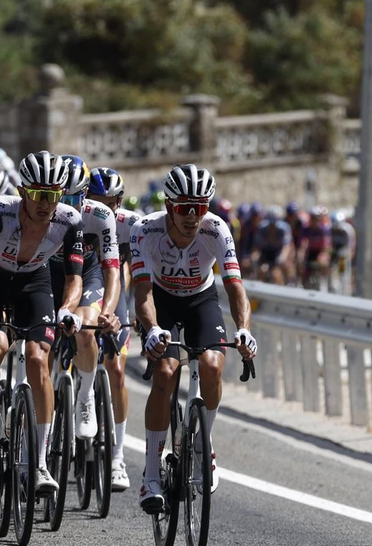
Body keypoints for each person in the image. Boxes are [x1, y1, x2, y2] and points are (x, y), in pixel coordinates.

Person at [131, 163, 256, 512]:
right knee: (166, 372)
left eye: (200, 207)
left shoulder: (216, 229)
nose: (192, 216)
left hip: (201, 299)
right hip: (161, 301)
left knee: (213, 366)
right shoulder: (145, 230)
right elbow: (142, 291)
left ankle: (203, 444)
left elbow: (235, 287)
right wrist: (152, 329)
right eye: (185, 207)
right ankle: (151, 476)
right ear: (169, 205)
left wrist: (243, 330)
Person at [0, 151, 85, 495]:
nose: (46, 204)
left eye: (53, 195)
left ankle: (40, 461)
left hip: (34, 281)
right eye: (38, 194)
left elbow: (74, 278)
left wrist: (67, 309)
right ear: (22, 192)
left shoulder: (70, 220)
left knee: (37, 357)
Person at [55, 157, 122, 452]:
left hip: (88, 273)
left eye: (75, 198)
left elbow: (112, 271)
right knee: (39, 345)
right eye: (63, 198)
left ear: (86, 193)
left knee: (86, 330)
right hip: (50, 273)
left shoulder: (101, 215)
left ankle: (85, 397)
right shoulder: (43, 210)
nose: (68, 206)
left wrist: (107, 312)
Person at [89, 166, 138, 491]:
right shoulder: (81, 216)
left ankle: (117, 456)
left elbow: (132, 269)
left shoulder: (130, 224)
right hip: (83, 286)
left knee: (117, 370)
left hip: (114, 290)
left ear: (119, 201)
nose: (104, 209)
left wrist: (122, 303)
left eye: (110, 203)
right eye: (98, 201)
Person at [255, 205, 293, 284]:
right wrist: (255, 255)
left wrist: (282, 257)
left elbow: (286, 246)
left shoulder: (284, 229)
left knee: (276, 273)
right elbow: (257, 246)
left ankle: (287, 283)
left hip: (278, 251)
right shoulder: (262, 228)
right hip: (266, 251)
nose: (272, 225)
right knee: (262, 271)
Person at [302, 206, 332, 289]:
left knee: (323, 262)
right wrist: (301, 255)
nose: (315, 221)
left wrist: (323, 256)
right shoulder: (306, 229)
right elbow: (303, 244)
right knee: (302, 265)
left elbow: (327, 245)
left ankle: (326, 281)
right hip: (310, 251)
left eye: (317, 219)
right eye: (313, 218)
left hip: (321, 251)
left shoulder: (324, 230)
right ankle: (303, 284)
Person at [330, 209, 355, 294]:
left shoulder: (347, 229)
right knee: (332, 268)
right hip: (333, 251)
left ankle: (343, 286)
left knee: (342, 269)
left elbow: (351, 242)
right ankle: (332, 285)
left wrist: (351, 252)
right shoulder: (330, 228)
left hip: (343, 252)